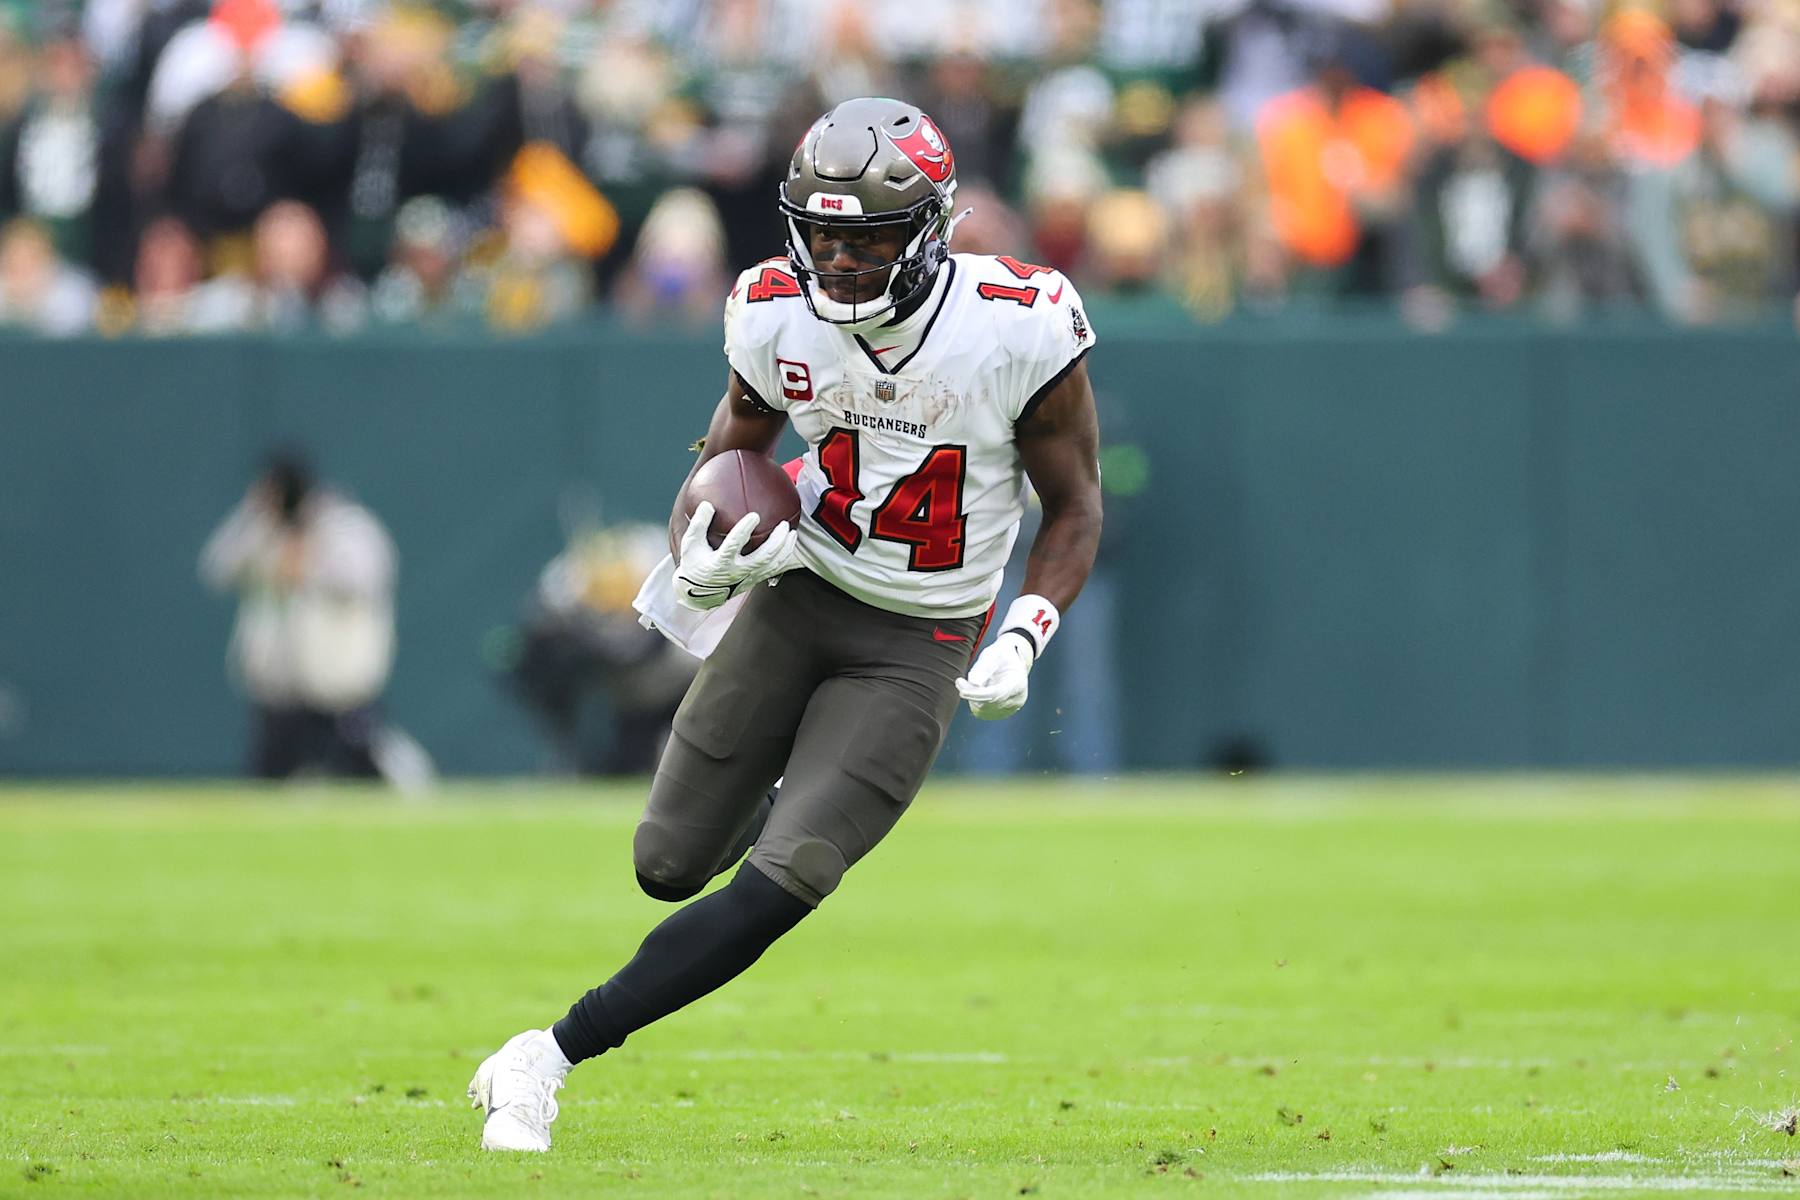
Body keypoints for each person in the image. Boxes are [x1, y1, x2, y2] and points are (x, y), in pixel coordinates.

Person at [468, 96, 1103, 1153]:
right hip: (799, 593)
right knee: (666, 864)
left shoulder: (1019, 323)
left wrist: (1028, 624)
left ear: (931, 230)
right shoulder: (773, 311)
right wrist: (700, 562)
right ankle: (801, 783)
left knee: (792, 873)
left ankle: (546, 1055)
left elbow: (1076, 504)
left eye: (870, 240)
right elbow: (725, 458)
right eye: (825, 236)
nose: (843, 264)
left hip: (922, 637)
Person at [199, 450, 400, 780]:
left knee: (365, 779)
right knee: (270, 785)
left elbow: (363, 580)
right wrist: (252, 518)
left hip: (338, 688)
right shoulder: (261, 530)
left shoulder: (344, 527)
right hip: (279, 691)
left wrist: (309, 563)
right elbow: (216, 570)